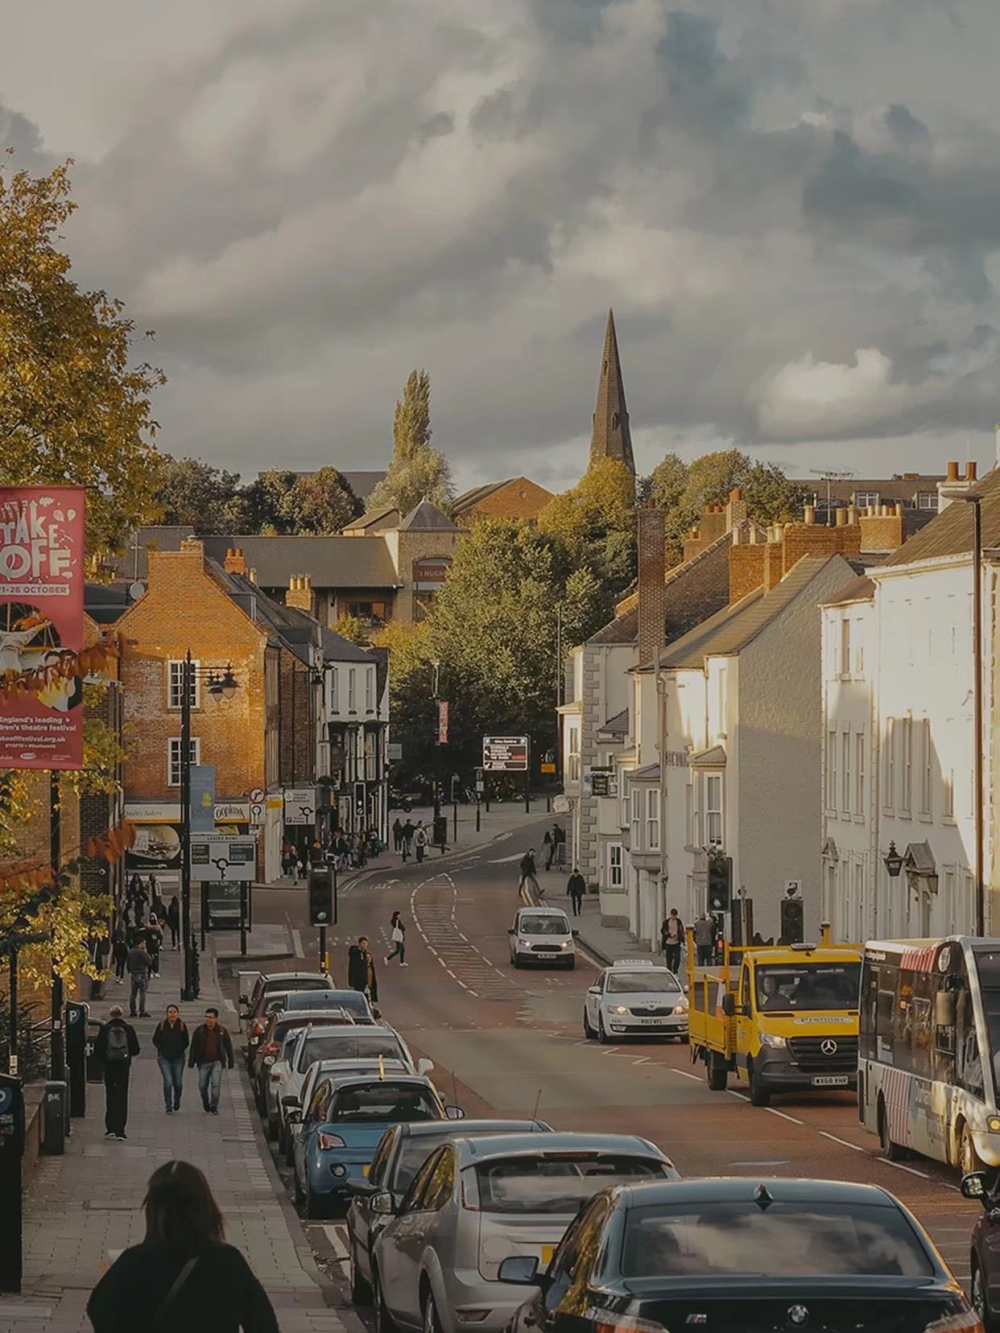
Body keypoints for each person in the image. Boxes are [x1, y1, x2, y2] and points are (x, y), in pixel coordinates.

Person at [86, 1159, 280, 1333]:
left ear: (153, 1210)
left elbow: (99, 1311)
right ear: (205, 1208)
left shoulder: (133, 1263)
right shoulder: (228, 1262)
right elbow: (264, 1324)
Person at [94, 1004, 140, 1140]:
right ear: (122, 1014)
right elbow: (136, 1049)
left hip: (109, 1067)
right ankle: (121, 1130)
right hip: (124, 1067)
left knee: (110, 1096)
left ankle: (110, 1128)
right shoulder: (129, 1029)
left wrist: (106, 1061)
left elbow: (99, 1050)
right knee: (122, 1097)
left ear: (111, 1014)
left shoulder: (105, 1029)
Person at [188, 1008, 235, 1115]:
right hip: (203, 1062)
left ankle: (214, 1105)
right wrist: (191, 1061)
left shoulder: (222, 1031)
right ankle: (205, 1101)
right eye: (207, 1017)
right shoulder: (199, 1031)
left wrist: (231, 1061)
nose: (208, 1020)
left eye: (211, 1017)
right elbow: (193, 1046)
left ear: (216, 1019)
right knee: (202, 1085)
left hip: (217, 1061)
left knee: (215, 1083)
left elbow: (228, 1046)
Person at [153, 1004, 189, 1114]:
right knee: (168, 1081)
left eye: (174, 1012)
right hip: (165, 1058)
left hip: (178, 1058)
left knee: (177, 1082)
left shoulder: (182, 1026)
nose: (172, 1014)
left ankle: (177, 1099)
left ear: (177, 1013)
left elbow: (186, 1041)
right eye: (170, 1012)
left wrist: (180, 1049)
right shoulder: (162, 1025)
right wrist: (161, 1049)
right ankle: (168, 1106)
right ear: (167, 1014)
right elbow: (155, 1039)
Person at [126, 939, 153, 1018]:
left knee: (133, 994)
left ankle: (133, 1011)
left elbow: (127, 963)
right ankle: (142, 1011)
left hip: (133, 974)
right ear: (140, 943)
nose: (145, 945)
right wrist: (146, 952)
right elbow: (149, 962)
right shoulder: (142, 952)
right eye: (144, 943)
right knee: (142, 993)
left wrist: (130, 971)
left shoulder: (130, 952)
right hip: (142, 973)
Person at [348, 936, 379, 1003]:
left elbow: (370, 967)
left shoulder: (366, 954)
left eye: (366, 943)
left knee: (367, 999)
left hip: (368, 981)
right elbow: (357, 964)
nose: (365, 945)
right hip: (360, 981)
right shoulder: (356, 954)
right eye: (363, 943)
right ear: (359, 944)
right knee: (361, 999)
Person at [661, 908, 684, 974]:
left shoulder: (678, 921)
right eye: (673, 915)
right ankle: (669, 970)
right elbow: (663, 930)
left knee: (677, 958)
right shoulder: (666, 922)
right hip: (668, 942)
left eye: (675, 915)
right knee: (669, 959)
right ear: (671, 915)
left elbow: (681, 930)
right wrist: (668, 934)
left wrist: (682, 940)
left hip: (676, 942)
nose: (674, 917)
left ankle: (675, 971)